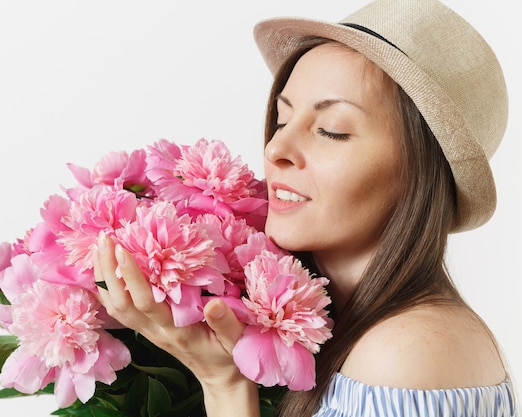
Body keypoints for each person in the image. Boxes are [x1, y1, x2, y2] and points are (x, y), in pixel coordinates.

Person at [93, 0, 518, 415]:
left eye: (331, 131)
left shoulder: (410, 351)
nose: (276, 148)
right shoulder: (339, 333)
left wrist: (225, 386)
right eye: (281, 120)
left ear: (419, 173)